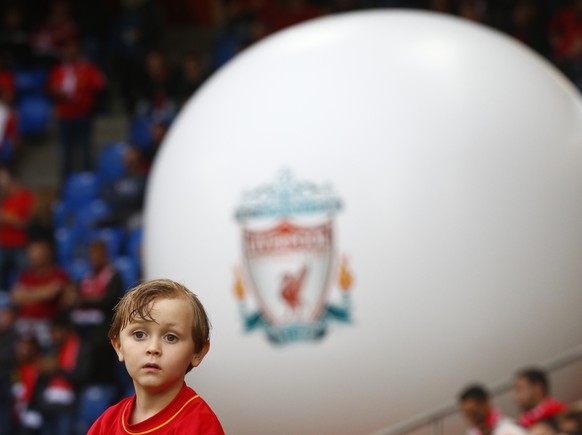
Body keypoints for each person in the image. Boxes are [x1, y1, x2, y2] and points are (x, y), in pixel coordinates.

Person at [87, 278, 224, 434]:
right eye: (139, 334)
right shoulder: (106, 423)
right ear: (118, 346)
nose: (153, 348)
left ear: (198, 352)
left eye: (171, 337)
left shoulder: (199, 424)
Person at [47, 38, 105, 181]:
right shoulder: (59, 69)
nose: (70, 51)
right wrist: (57, 92)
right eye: (68, 49)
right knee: (66, 152)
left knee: (86, 150)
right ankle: (66, 184)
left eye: (73, 48)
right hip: (65, 116)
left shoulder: (87, 68)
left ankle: (88, 180)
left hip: (82, 114)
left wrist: (85, 84)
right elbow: (51, 88)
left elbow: (100, 84)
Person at [10, 239, 74, 348]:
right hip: (24, 324)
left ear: (47, 254)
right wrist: (44, 292)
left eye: (36, 252)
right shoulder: (25, 276)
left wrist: (27, 295)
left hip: (47, 324)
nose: (32, 256)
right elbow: (15, 297)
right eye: (31, 252)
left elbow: (54, 294)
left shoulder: (59, 274)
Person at [0, 166, 35, 292]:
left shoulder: (26, 196)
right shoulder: (4, 198)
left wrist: (6, 217)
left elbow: (26, 223)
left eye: (2, 177)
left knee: (24, 279)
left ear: (12, 177)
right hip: (3, 245)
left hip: (20, 246)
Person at [459, 384, 527, 435]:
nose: (471, 419)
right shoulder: (472, 432)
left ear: (484, 403)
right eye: (466, 414)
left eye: (473, 413)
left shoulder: (509, 429)